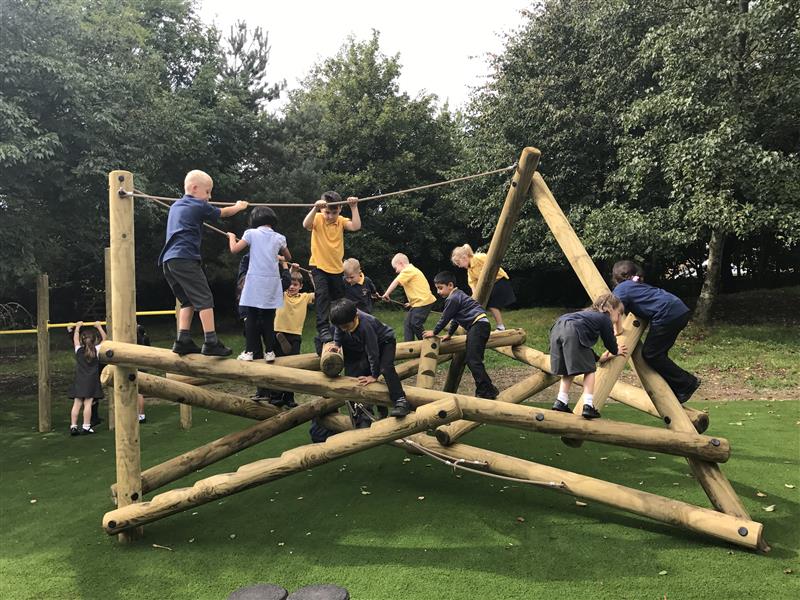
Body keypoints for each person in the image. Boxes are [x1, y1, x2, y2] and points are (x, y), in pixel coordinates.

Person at [158, 169, 248, 356]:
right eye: (207, 192)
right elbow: (223, 212)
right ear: (194, 188)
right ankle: (211, 341)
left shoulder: (176, 206)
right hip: (185, 258)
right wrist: (239, 206)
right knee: (205, 298)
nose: (210, 196)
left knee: (187, 300)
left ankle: (182, 340)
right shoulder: (197, 205)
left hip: (169, 261)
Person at [611, 260, 701, 403]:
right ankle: (675, 386)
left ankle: (686, 383)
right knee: (658, 354)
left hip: (668, 314)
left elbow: (614, 310)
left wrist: (617, 330)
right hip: (679, 310)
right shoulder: (636, 286)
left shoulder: (621, 289)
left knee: (651, 354)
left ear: (616, 278)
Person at [549, 293, 628, 419]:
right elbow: (610, 341)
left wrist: (599, 358)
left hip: (556, 328)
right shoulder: (604, 318)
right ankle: (588, 405)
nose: (618, 319)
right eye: (619, 314)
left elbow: (581, 347)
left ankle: (560, 401)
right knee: (590, 370)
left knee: (567, 371)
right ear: (610, 309)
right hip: (572, 330)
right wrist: (615, 350)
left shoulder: (586, 316)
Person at [329, 299, 411, 418]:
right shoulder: (344, 321)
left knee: (386, 368)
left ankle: (401, 400)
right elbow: (338, 329)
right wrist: (337, 344)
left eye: (346, 326)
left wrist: (374, 375)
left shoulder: (365, 325)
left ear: (355, 316)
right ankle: (380, 407)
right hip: (371, 344)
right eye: (341, 326)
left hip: (385, 342)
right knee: (362, 370)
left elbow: (373, 352)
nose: (343, 329)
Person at [228, 206, 290, 364]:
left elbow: (234, 249)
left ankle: (249, 351)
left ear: (254, 220)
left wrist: (231, 237)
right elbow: (288, 256)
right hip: (272, 283)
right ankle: (270, 352)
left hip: (255, 282)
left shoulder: (251, 233)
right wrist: (279, 257)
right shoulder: (279, 237)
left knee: (251, 317)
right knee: (269, 319)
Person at [423, 271, 498, 399]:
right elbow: (455, 319)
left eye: (440, 288)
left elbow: (445, 318)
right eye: (437, 289)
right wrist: (450, 334)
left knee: (473, 360)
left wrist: (434, 332)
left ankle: (486, 390)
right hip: (480, 325)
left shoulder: (453, 298)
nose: (438, 292)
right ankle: (488, 389)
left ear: (450, 285)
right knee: (474, 360)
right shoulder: (459, 295)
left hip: (478, 326)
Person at [302, 191, 361, 351]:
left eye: (334, 212)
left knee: (339, 301)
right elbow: (305, 225)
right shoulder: (318, 218)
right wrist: (315, 208)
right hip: (318, 266)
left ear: (340, 209)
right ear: (323, 210)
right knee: (322, 296)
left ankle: (341, 329)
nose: (330, 216)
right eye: (327, 212)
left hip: (336, 269)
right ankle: (323, 329)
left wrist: (354, 207)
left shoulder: (340, 221)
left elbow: (356, 226)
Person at [267, 268, 315, 408]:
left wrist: (312, 276)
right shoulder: (281, 295)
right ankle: (275, 396)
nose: (292, 287)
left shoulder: (304, 297)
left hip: (294, 335)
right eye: (290, 284)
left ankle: (289, 398)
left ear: (301, 286)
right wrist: (287, 270)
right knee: (276, 366)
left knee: (292, 368)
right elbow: (278, 284)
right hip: (277, 333)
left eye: (295, 285)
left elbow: (321, 293)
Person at [451, 244, 516, 331]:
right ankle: (476, 325)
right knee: (482, 305)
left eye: (459, 263)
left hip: (500, 281)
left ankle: (500, 327)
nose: (459, 266)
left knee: (492, 305)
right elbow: (473, 286)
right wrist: (474, 299)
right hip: (491, 285)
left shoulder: (479, 257)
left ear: (464, 257)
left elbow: (492, 262)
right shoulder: (470, 271)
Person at [380, 253, 437, 341]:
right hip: (419, 302)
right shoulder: (412, 271)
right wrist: (411, 303)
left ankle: (428, 343)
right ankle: (409, 346)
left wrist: (387, 294)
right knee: (408, 323)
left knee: (415, 323)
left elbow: (396, 281)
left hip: (424, 302)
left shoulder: (408, 270)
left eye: (395, 268)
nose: (396, 271)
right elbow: (418, 289)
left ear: (401, 263)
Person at [68, 321, 106, 436]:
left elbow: (75, 339)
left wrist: (77, 328)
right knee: (88, 403)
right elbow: (105, 339)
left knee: (77, 403)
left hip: (80, 380)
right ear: (95, 340)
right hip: (91, 381)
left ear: (82, 340)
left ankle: (73, 427)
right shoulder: (97, 350)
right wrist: (99, 326)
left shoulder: (78, 350)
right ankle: (86, 426)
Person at [136, 323, 150, 423]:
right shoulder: (145, 338)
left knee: (138, 392)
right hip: (143, 365)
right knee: (138, 392)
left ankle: (141, 415)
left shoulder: (137, 341)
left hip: (138, 366)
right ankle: (140, 414)